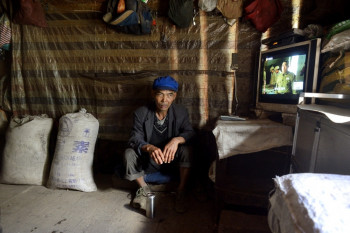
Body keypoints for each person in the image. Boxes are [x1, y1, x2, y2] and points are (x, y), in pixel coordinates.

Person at [123, 75, 195, 213]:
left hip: (170, 161)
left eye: (169, 95)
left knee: (187, 150)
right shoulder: (141, 113)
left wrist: (176, 140)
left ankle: (180, 191)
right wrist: (149, 147)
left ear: (175, 96)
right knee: (128, 153)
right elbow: (134, 138)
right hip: (149, 161)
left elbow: (190, 132)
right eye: (160, 94)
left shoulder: (181, 112)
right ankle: (144, 189)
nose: (164, 100)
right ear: (153, 94)